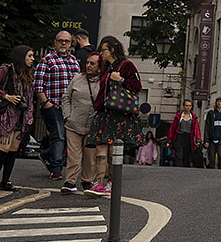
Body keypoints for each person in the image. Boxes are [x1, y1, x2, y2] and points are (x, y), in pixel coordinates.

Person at [84, 36, 142, 198]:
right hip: (104, 114)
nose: (100, 53)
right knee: (100, 148)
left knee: (111, 150)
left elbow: (137, 87)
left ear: (112, 50)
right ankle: (99, 183)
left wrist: (121, 79)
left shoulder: (127, 65)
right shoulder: (107, 68)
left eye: (103, 50)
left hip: (117, 115)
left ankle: (110, 183)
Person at [0, 45, 36, 191]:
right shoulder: (5, 70)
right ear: (21, 57)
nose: (33, 59)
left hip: (21, 116)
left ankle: (6, 180)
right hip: (6, 115)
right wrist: (6, 96)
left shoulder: (27, 74)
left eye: (33, 56)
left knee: (13, 149)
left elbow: (29, 97)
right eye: (30, 56)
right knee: (4, 147)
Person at [33, 30, 80, 180]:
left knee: (66, 137)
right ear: (55, 43)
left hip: (70, 107)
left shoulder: (74, 61)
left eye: (66, 41)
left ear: (71, 44)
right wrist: (46, 103)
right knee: (59, 135)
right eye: (60, 41)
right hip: (53, 105)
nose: (63, 43)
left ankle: (47, 154)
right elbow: (38, 85)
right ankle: (56, 169)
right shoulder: (47, 60)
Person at [59, 51, 102, 194]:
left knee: (90, 156)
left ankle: (87, 181)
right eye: (87, 62)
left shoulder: (103, 82)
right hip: (73, 124)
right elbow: (66, 97)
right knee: (73, 155)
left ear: (100, 67)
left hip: (92, 126)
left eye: (92, 63)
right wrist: (67, 116)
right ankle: (70, 182)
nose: (88, 65)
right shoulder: (77, 79)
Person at [166, 100, 201, 168]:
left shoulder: (193, 118)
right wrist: (169, 140)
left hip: (188, 138)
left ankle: (185, 173)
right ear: (183, 106)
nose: (188, 107)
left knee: (187, 157)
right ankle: (179, 170)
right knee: (179, 156)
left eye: (189, 106)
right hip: (179, 137)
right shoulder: (178, 117)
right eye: (186, 105)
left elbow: (196, 129)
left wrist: (198, 140)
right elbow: (173, 128)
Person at [205, 97, 221, 168]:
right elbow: (207, 127)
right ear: (216, 103)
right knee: (212, 159)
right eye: (218, 101)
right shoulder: (211, 113)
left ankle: (220, 173)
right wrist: (206, 140)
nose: (219, 103)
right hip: (212, 140)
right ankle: (211, 173)